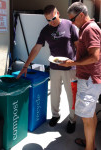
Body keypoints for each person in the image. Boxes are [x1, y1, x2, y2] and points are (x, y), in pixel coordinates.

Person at [17, 5, 78, 133]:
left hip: (71, 67)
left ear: (58, 13)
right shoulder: (45, 30)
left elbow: (78, 45)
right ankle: (55, 115)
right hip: (55, 67)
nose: (51, 22)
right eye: (48, 20)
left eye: (53, 19)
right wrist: (26, 65)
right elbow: (37, 48)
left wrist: (79, 64)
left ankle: (72, 120)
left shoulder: (69, 25)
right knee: (55, 95)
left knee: (71, 96)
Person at [59, 2, 101, 150]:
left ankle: (90, 148)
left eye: (72, 19)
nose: (71, 22)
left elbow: (95, 57)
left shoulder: (89, 29)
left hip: (89, 79)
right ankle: (90, 144)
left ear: (81, 15)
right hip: (90, 78)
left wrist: (72, 63)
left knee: (87, 118)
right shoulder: (87, 28)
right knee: (90, 115)